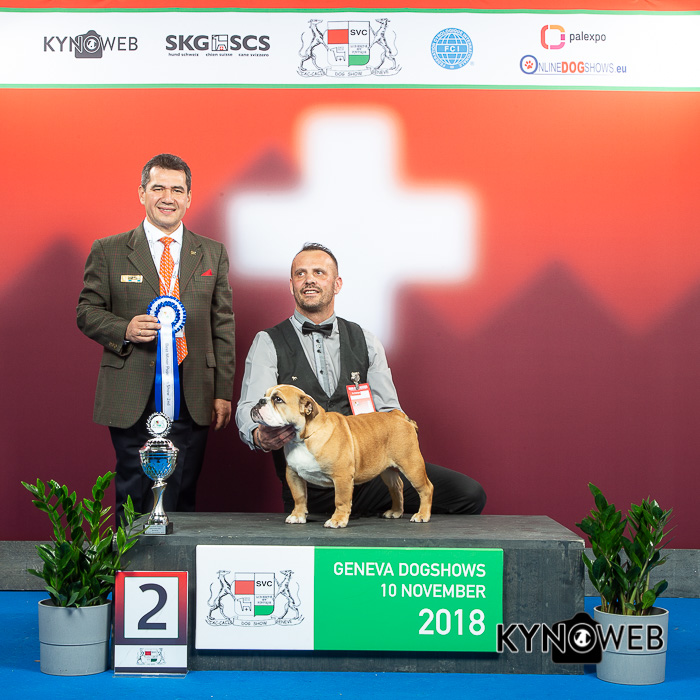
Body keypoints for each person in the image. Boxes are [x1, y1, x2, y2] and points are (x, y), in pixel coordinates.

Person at [235, 242, 485, 517]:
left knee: (468, 494)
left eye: (319, 272)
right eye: (300, 273)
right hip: (310, 481)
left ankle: (386, 518)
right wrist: (258, 435)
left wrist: (398, 446)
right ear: (291, 285)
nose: (309, 280)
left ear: (337, 284)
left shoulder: (366, 340)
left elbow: (389, 411)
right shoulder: (268, 342)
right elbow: (249, 407)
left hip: (369, 474)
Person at [77, 153, 236, 520]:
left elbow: (223, 325)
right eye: (158, 188)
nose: (168, 198)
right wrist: (124, 329)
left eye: (177, 190)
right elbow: (86, 312)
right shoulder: (108, 250)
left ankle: (175, 559)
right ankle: (130, 557)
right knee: (133, 488)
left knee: (181, 490)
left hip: (193, 391)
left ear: (189, 197)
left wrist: (222, 391)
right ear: (141, 193)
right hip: (131, 391)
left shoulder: (212, 253)